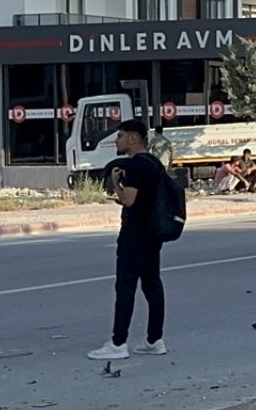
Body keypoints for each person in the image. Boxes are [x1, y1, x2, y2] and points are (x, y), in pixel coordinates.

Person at [88, 119, 169, 360]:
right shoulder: (155, 163)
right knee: (152, 285)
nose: (118, 140)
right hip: (153, 233)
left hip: (135, 235)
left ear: (133, 138)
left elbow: (129, 200)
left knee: (125, 286)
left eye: (121, 136)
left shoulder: (134, 166)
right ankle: (155, 339)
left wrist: (115, 182)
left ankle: (118, 343)